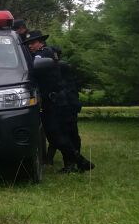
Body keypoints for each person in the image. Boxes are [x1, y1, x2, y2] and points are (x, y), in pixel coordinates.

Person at [24, 30, 93, 173]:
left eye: (33, 43)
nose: (30, 46)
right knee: (57, 134)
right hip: (52, 101)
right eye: (28, 43)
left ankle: (75, 162)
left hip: (57, 102)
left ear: (41, 42)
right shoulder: (41, 54)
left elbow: (33, 67)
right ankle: (78, 161)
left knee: (59, 133)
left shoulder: (44, 53)